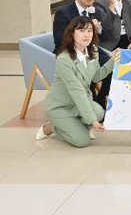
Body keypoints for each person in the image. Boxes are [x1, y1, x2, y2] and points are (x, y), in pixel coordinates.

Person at [35, 16, 116, 148]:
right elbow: (76, 91)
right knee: (82, 141)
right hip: (61, 106)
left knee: (99, 112)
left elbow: (96, 77)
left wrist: (113, 61)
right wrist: (93, 121)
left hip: (79, 103)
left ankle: (72, 126)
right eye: (81, 30)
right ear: (72, 33)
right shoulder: (63, 59)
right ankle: (53, 126)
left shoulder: (93, 50)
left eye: (89, 30)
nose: (86, 35)